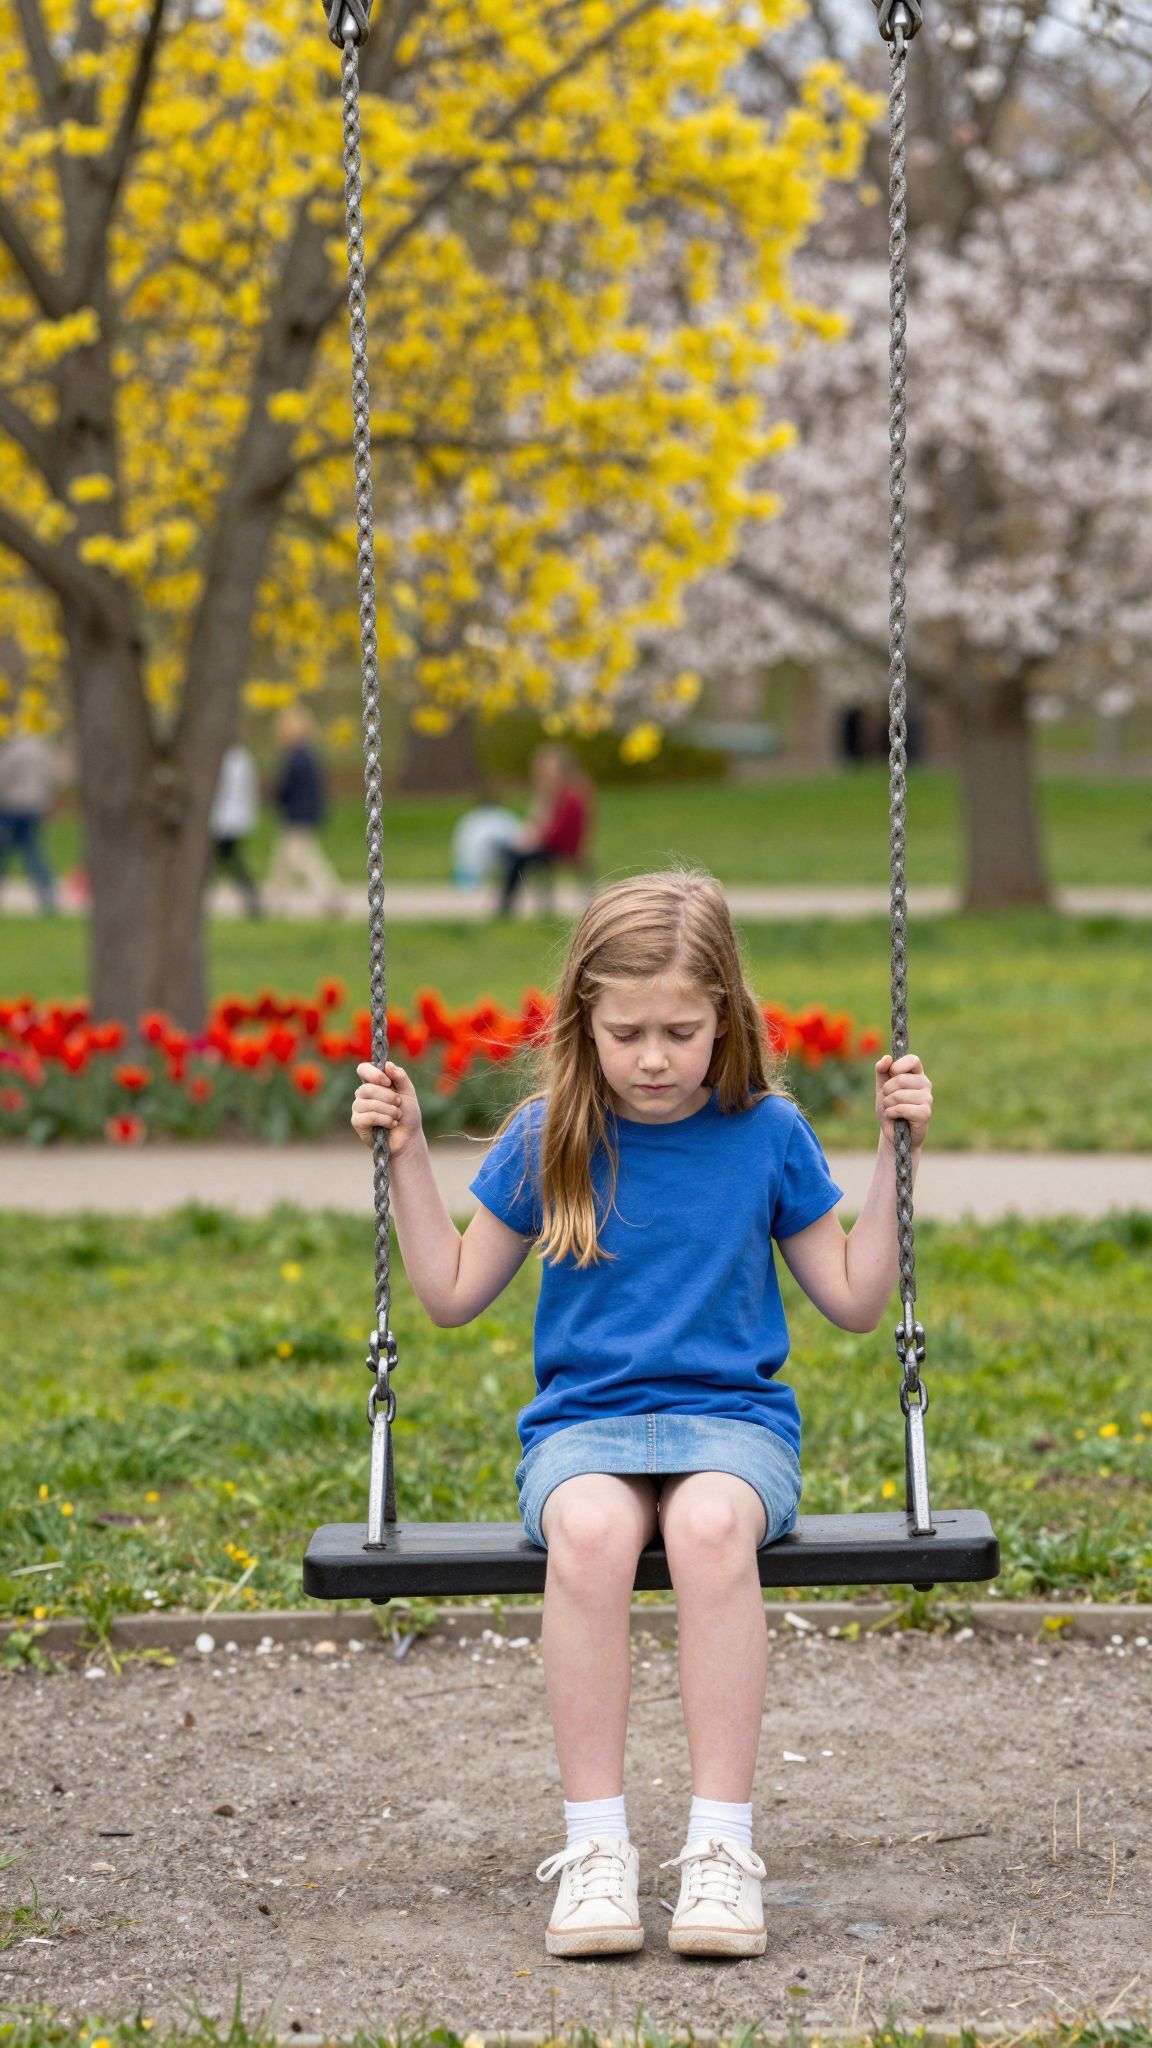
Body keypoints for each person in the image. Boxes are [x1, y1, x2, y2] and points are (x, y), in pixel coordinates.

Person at [350, 867, 933, 1961]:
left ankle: (719, 1847)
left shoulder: (767, 1134)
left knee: (711, 1528)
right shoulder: (547, 1133)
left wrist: (899, 1155)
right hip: (585, 1429)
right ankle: (596, 1845)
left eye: (679, 1028)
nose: (654, 1056)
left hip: (732, 1426)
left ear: (727, 1017)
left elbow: (856, 1300)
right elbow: (450, 1291)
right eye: (627, 1031)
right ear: (585, 1020)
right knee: (590, 1529)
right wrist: (409, 1152)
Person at [493, 743, 595, 917]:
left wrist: (536, 841)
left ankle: (505, 906)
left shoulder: (571, 796)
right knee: (515, 854)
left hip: (562, 848)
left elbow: (560, 829)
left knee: (519, 858)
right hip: (549, 844)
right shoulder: (552, 795)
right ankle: (505, 904)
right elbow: (537, 823)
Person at [265, 707, 344, 917]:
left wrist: (275, 798)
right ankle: (276, 898)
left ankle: (328, 894)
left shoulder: (298, 758)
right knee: (285, 858)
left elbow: (288, 788)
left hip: (298, 815)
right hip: (301, 813)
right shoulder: (307, 755)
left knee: (302, 857)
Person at [0, 731, 63, 913]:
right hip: (34, 807)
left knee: (3, 853)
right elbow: (51, 780)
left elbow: (3, 779)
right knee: (33, 852)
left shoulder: (11, 752)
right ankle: (47, 896)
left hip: (11, 807)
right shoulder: (43, 751)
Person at [209, 742, 263, 918]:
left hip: (223, 819)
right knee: (227, 860)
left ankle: (250, 898)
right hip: (235, 819)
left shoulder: (229, 760)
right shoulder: (243, 758)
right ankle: (251, 898)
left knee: (225, 860)